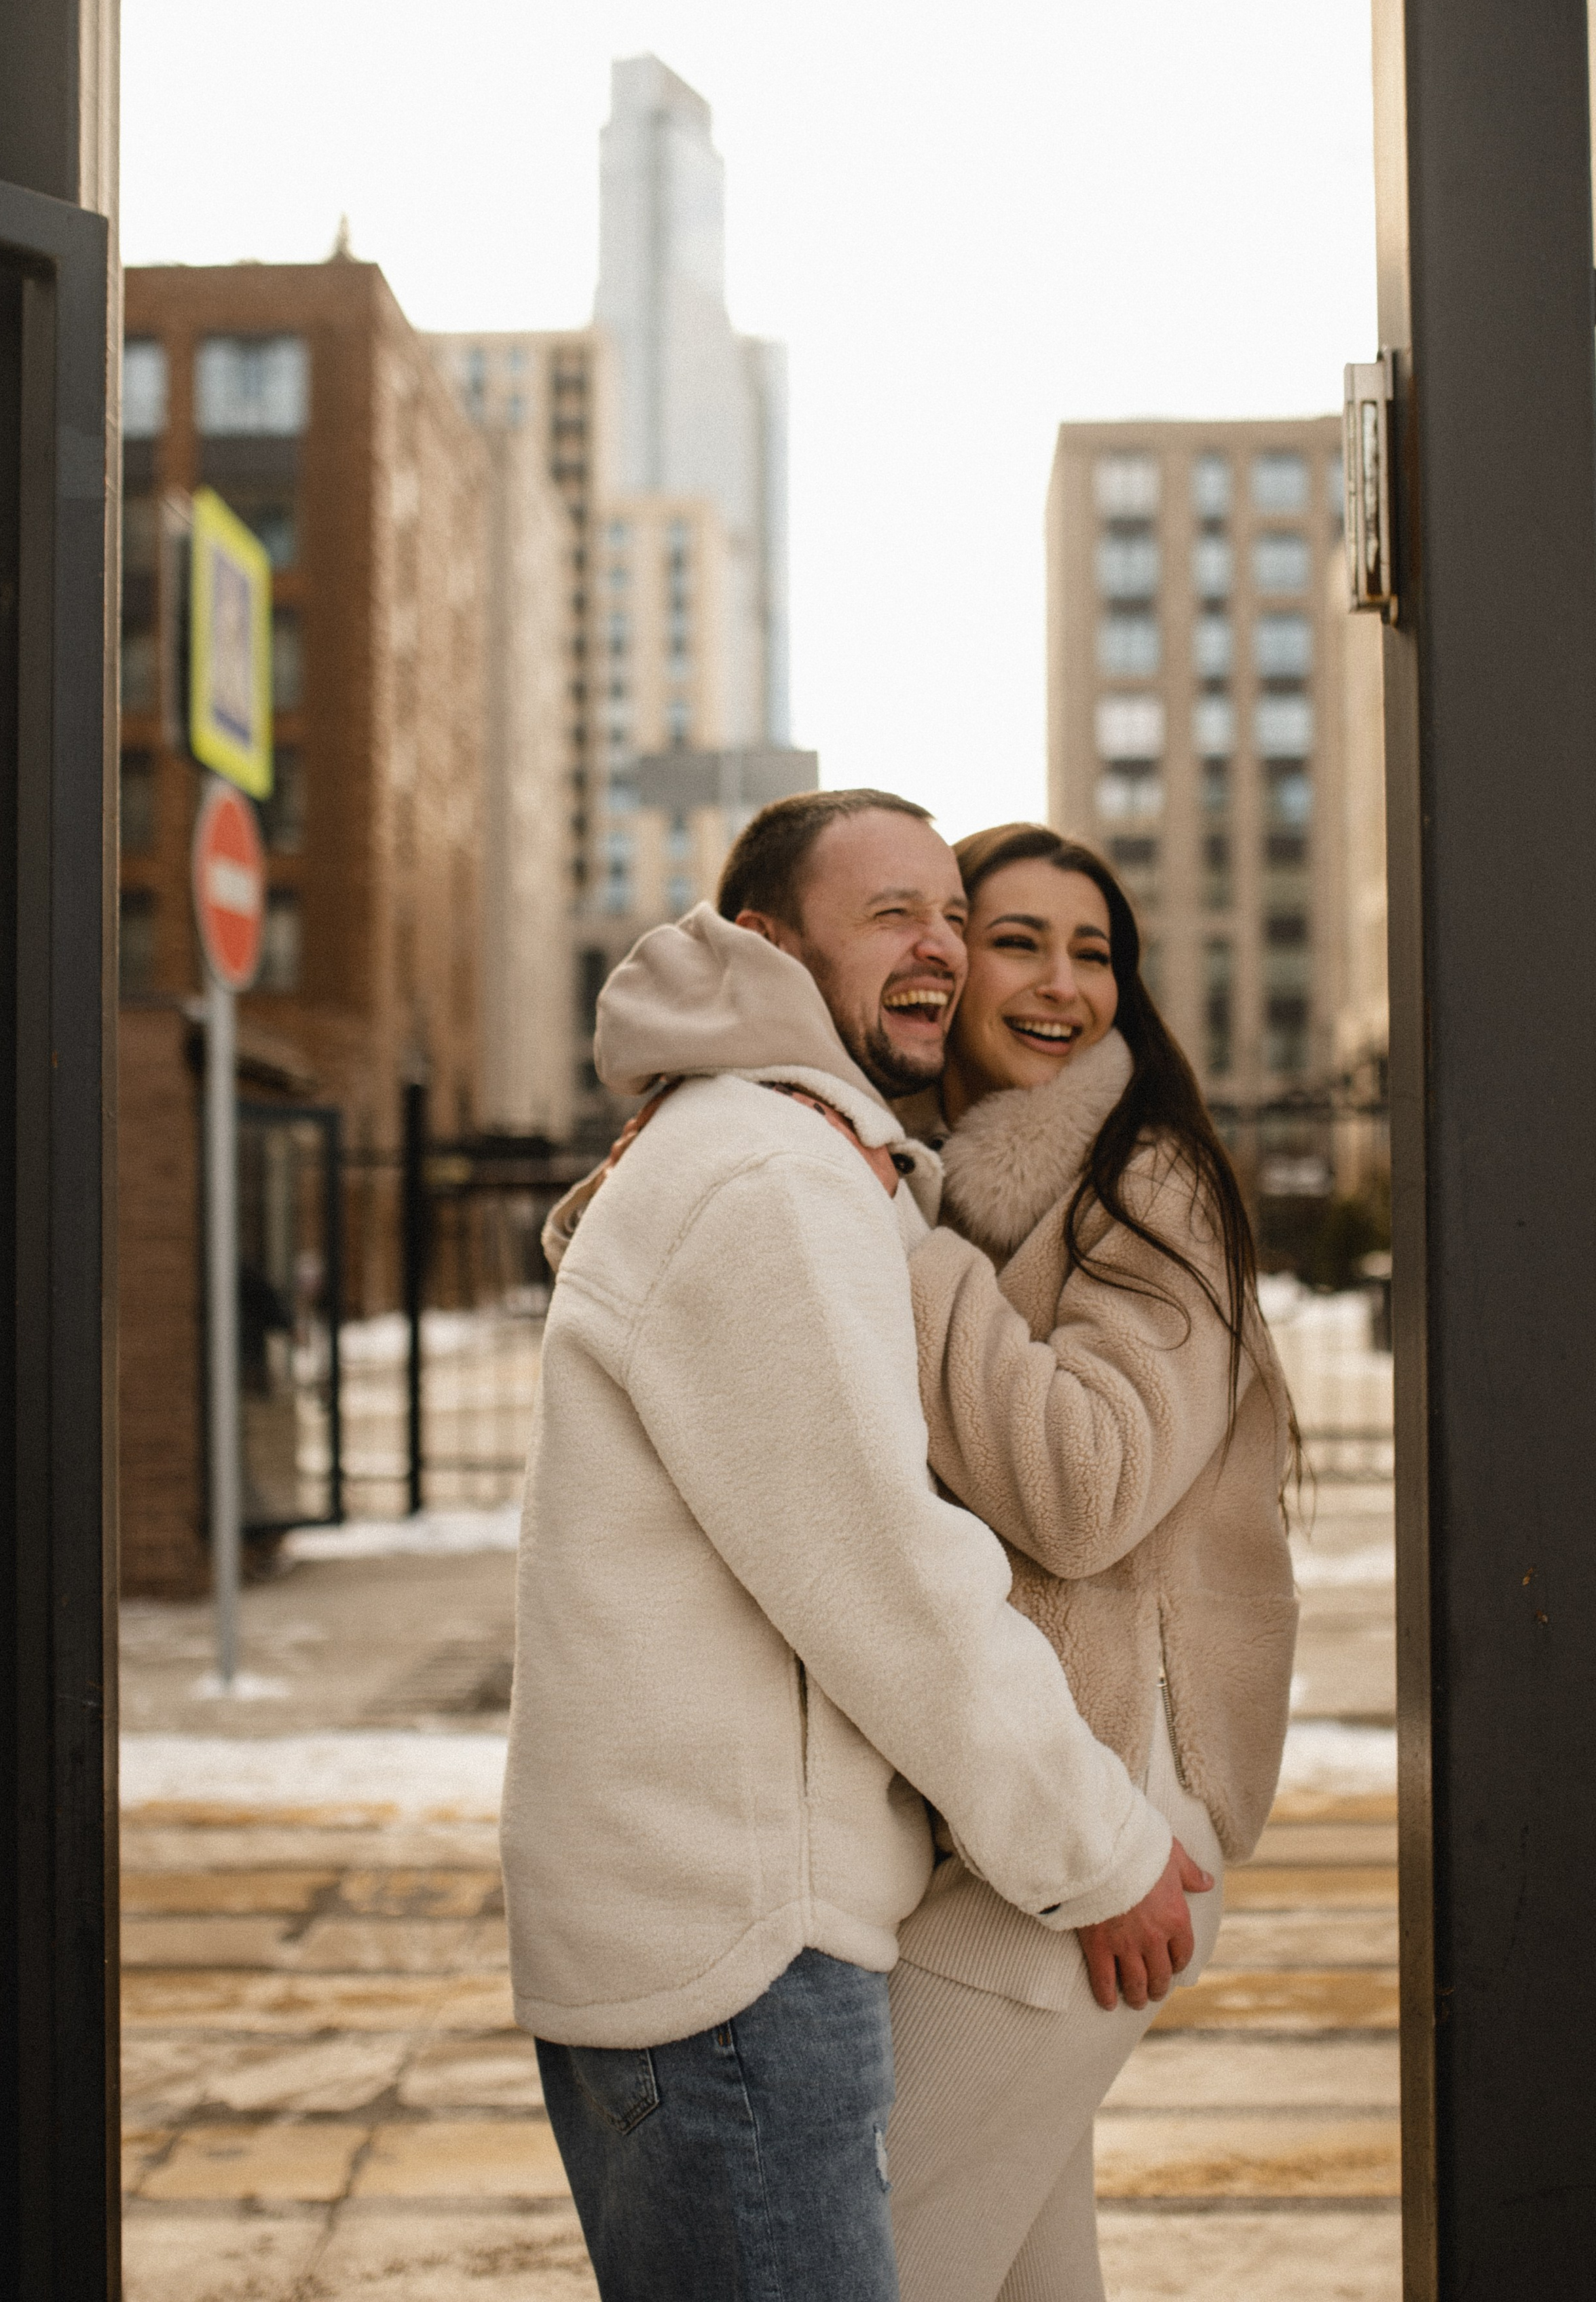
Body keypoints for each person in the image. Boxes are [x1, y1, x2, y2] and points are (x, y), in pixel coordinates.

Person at [502, 790, 1209, 2302]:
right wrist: (1098, 1847)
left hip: (715, 1939)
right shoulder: (774, 1174)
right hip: (740, 1960)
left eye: (947, 913)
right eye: (894, 911)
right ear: (766, 941)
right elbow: (887, 1580)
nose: (939, 947)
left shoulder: (769, 1151)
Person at [884, 822, 1299, 2302]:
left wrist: (904, 1249)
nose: (1060, 981)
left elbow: (1087, 1486)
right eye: (1016, 940)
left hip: (1116, 1803)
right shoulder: (968, 1183)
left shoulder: (1146, 1183)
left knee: (865, 2254)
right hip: (1019, 1810)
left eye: (1092, 950)